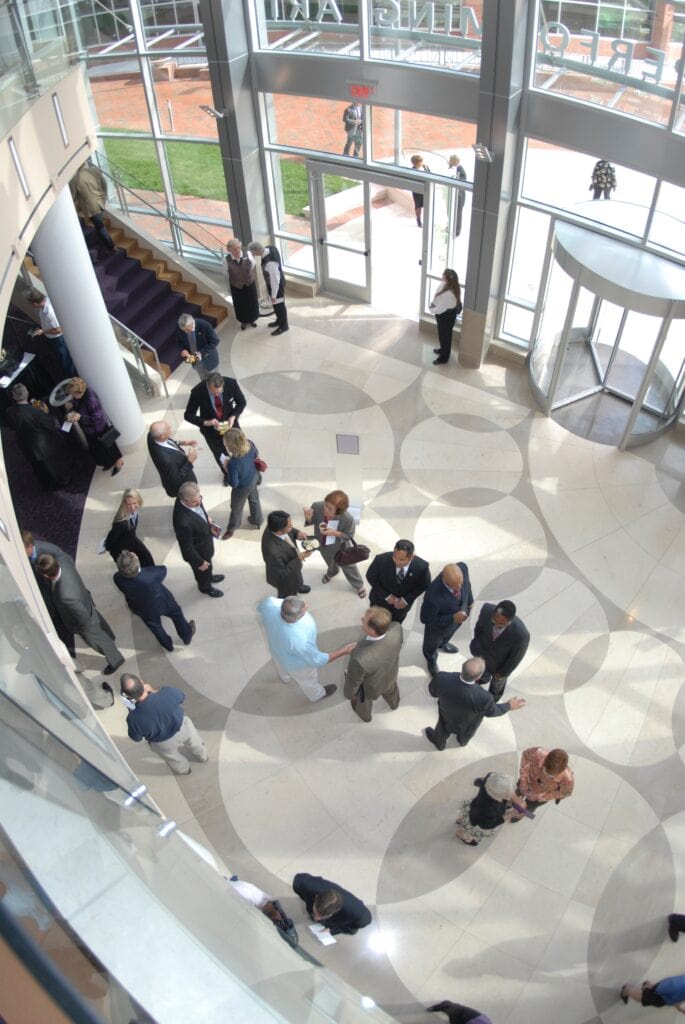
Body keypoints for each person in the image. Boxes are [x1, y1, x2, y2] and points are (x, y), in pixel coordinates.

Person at [36, 553, 124, 674]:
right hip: (86, 602)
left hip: (85, 620)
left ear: (46, 575)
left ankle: (116, 659)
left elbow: (82, 617)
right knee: (102, 627)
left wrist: (86, 631)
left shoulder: (65, 596)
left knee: (98, 640)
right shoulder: (64, 563)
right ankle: (110, 636)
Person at [257, 595, 355, 702]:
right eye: (304, 610)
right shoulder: (299, 640)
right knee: (307, 680)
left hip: (276, 649)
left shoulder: (270, 603)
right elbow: (317, 660)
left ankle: (285, 678)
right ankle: (317, 695)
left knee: (280, 664)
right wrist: (344, 650)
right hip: (296, 665)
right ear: (296, 618)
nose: (307, 608)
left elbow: (260, 607)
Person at [424, 657, 526, 750]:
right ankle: (462, 742)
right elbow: (493, 712)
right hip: (468, 723)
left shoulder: (441, 677)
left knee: (442, 728)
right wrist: (508, 705)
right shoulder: (484, 697)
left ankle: (439, 743)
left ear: (462, 667)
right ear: (478, 677)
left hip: (446, 714)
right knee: (466, 734)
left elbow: (432, 692)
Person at [120, 673, 208, 776]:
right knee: (195, 742)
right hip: (184, 727)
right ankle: (203, 756)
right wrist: (152, 690)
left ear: (129, 696)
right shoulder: (167, 692)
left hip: (162, 743)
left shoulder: (133, 719)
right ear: (142, 683)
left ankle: (184, 770)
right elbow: (182, 697)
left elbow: (136, 738)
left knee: (172, 757)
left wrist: (131, 711)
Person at [113, 550, 195, 651]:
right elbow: (163, 570)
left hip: (142, 608)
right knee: (177, 614)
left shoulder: (117, 578)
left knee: (156, 628)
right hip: (163, 602)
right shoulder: (150, 574)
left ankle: (168, 646)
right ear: (137, 563)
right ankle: (186, 636)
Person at [5, 383, 70, 490]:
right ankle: (59, 482)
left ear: (13, 396)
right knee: (50, 465)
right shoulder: (36, 412)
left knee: (36, 467)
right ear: (27, 393)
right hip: (42, 445)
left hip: (25, 444)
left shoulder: (9, 412)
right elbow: (50, 426)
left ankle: (45, 484)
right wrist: (46, 413)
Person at [22, 530, 76, 656]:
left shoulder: (50, 550)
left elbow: (68, 563)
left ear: (30, 546)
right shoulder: (28, 556)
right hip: (46, 594)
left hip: (56, 591)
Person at [303, 490, 366, 598]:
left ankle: (359, 584)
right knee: (329, 561)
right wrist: (308, 519)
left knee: (349, 566)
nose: (325, 510)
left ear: (339, 511)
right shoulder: (317, 506)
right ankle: (332, 572)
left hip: (340, 547)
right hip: (322, 544)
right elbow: (312, 520)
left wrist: (334, 533)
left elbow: (349, 536)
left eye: (330, 509)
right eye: (326, 505)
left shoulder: (347, 519)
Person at [184, 370, 246, 479]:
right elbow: (188, 415)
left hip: (231, 425)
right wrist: (206, 422)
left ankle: (245, 470)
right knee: (220, 454)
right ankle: (228, 474)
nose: (217, 394)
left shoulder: (231, 384)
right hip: (211, 431)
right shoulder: (198, 391)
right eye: (214, 392)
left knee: (240, 448)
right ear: (208, 385)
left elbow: (241, 402)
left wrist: (233, 416)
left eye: (219, 392)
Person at [344, 607, 402, 722]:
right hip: (391, 676)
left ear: (372, 631)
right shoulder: (397, 628)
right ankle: (394, 704)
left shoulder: (359, 658)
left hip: (371, 687)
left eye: (364, 620)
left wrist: (349, 694)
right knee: (391, 691)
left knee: (364, 702)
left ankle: (365, 717)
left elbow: (354, 682)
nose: (361, 619)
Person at [421, 562, 474, 676]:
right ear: (443, 578)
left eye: (460, 583)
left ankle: (443, 644)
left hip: (459, 617)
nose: (459, 587)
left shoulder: (462, 568)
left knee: (450, 632)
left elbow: (467, 585)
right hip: (438, 627)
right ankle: (431, 659)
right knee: (431, 645)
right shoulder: (432, 595)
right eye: (454, 586)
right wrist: (453, 617)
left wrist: (470, 602)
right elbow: (426, 619)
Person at [172, 481, 224, 598]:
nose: (199, 502)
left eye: (200, 498)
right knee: (202, 572)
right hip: (198, 553)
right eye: (195, 502)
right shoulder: (183, 522)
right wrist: (199, 562)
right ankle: (205, 587)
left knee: (208, 567)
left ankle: (209, 577)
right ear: (185, 501)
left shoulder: (194, 499)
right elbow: (187, 546)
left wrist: (207, 519)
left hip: (205, 544)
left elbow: (200, 509)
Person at [469, 600, 529, 700]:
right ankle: (483, 679)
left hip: (499, 665)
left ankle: (493, 697)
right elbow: (478, 629)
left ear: (510, 621)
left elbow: (515, 658)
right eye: (494, 621)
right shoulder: (486, 610)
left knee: (497, 684)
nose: (497, 625)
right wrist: (478, 645)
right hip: (482, 654)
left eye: (502, 624)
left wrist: (502, 673)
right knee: (482, 672)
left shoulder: (521, 635)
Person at [64, 376, 123, 476]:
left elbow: (97, 418)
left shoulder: (91, 399)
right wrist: (71, 405)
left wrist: (80, 417)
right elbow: (78, 403)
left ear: (78, 392)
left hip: (100, 429)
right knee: (99, 449)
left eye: (73, 394)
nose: (72, 396)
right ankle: (108, 462)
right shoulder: (81, 395)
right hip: (90, 430)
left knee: (109, 447)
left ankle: (118, 463)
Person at [366, 539, 431, 623]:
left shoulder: (422, 567)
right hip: (379, 602)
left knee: (395, 624)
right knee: (375, 622)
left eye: (401, 560)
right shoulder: (380, 560)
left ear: (411, 557)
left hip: (400, 609)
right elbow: (370, 577)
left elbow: (424, 585)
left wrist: (406, 600)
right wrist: (386, 596)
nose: (396, 562)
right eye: (394, 557)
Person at [292, 872, 371, 935]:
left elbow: (353, 927)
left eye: (321, 916)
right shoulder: (304, 884)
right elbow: (299, 879)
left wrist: (333, 930)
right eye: (316, 912)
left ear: (335, 912)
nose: (316, 918)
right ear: (316, 897)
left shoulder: (358, 914)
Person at [454, 772, 519, 847]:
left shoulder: (490, 778)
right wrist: (509, 815)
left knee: (468, 814)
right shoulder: (490, 810)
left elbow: (487, 778)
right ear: (497, 795)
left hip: (475, 806)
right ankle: (461, 834)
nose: (512, 796)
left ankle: (461, 820)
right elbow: (488, 825)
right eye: (507, 795)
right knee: (472, 827)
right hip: (479, 820)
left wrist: (510, 798)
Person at [220, 427, 263, 538]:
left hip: (243, 487)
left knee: (236, 507)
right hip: (254, 477)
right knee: (254, 500)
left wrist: (226, 468)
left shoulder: (233, 463)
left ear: (231, 445)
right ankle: (257, 521)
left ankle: (232, 528)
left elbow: (234, 483)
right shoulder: (250, 444)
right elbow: (256, 454)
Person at [25, 289, 77, 378]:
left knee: (66, 360)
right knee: (63, 357)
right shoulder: (45, 306)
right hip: (53, 338)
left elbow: (59, 330)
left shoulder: (50, 313)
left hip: (57, 339)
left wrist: (43, 331)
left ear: (35, 303)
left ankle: (72, 377)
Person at [512, 747, 574, 819]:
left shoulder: (568, 779)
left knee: (529, 808)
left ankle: (521, 815)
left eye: (551, 775)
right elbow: (525, 757)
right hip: (527, 781)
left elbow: (565, 793)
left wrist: (542, 796)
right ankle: (512, 803)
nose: (546, 775)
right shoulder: (537, 753)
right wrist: (523, 780)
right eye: (544, 769)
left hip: (539, 796)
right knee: (515, 793)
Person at [261, 510, 313, 597]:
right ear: (280, 530)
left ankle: (298, 586)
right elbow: (282, 573)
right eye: (290, 526)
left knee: (296, 577)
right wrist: (299, 558)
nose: (292, 526)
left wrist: (298, 533)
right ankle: (288, 598)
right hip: (285, 580)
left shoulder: (273, 524)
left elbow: (290, 530)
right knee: (288, 593)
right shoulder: (272, 551)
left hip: (293, 565)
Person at [70, 161, 115, 255]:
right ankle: (105, 244)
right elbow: (104, 184)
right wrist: (104, 197)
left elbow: (73, 196)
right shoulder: (95, 171)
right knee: (99, 226)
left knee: (100, 227)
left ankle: (111, 247)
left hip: (91, 208)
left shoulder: (75, 180)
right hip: (101, 202)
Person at [147, 420, 198, 498]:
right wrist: (190, 461)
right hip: (182, 486)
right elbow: (175, 479)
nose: (170, 428)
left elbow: (167, 441)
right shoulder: (166, 460)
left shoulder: (151, 436)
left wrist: (183, 442)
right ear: (162, 436)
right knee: (190, 497)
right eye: (168, 429)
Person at [247, 241, 289, 336]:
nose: (252, 254)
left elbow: (275, 280)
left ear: (257, 251)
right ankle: (279, 320)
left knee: (280, 306)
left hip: (277, 287)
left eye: (252, 252)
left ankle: (284, 326)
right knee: (277, 306)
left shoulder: (270, 263)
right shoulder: (270, 248)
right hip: (275, 283)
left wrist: (274, 295)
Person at [104, 489, 154, 567]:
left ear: (139, 501)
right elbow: (109, 543)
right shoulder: (121, 523)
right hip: (122, 551)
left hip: (131, 540)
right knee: (131, 570)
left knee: (148, 560)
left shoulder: (134, 513)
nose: (133, 507)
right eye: (129, 504)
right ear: (124, 504)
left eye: (135, 503)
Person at [429, 269, 462, 365]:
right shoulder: (450, 286)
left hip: (445, 316)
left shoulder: (449, 294)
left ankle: (444, 358)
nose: (442, 275)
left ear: (446, 278)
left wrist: (431, 308)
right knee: (444, 335)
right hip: (447, 315)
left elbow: (440, 308)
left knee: (445, 336)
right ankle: (443, 350)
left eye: (443, 274)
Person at [225, 238, 259, 330]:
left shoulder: (247, 254)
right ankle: (243, 321)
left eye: (238, 248)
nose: (237, 250)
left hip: (249, 283)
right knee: (240, 304)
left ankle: (252, 319)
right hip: (236, 286)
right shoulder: (226, 261)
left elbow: (253, 265)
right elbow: (225, 272)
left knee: (251, 302)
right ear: (229, 250)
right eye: (234, 249)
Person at [176, 313, 220, 381]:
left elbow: (215, 340)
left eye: (187, 329)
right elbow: (179, 342)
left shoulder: (204, 325)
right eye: (184, 330)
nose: (185, 332)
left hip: (209, 359)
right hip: (195, 360)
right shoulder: (181, 328)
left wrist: (200, 353)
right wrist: (183, 350)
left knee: (215, 381)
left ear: (192, 323)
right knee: (204, 381)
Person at [620, 974, 685, 1011]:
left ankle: (647, 985)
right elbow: (673, 985)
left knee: (654, 988)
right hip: (663, 995)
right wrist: (654, 988)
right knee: (641, 998)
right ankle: (627, 989)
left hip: (669, 995)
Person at [446, 153, 468, 235]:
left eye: (451, 160)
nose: (449, 161)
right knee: (452, 211)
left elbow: (461, 183)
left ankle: (457, 231)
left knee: (458, 213)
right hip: (454, 195)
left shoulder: (460, 170)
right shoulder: (454, 168)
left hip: (459, 196)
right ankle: (451, 227)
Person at [428, 1000, 492, 1024]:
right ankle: (442, 1005)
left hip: (471, 1016)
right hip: (467, 1016)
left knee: (456, 1009)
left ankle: (444, 1005)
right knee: (454, 1010)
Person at [410, 154, 430, 226]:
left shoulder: (424, 167)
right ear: (416, 162)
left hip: (425, 189)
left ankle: (426, 219)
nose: (422, 162)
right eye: (420, 161)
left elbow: (430, 175)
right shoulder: (413, 170)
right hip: (417, 191)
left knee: (426, 204)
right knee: (418, 205)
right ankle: (418, 219)